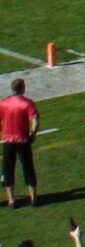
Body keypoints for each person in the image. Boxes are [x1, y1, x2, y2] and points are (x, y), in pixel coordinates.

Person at [0, 76, 38, 208]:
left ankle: (11, 200)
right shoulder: (27, 103)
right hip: (23, 140)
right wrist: (33, 133)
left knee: (7, 169)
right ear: (23, 88)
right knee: (28, 167)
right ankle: (33, 197)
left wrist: (3, 130)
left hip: (8, 140)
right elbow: (34, 119)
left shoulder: (4, 103)